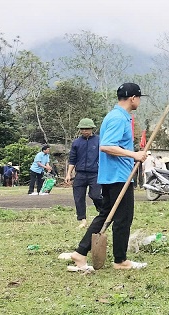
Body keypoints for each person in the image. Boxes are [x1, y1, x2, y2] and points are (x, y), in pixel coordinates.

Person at [59, 83, 149, 272]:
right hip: (118, 176)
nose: (139, 101)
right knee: (123, 218)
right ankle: (120, 261)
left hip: (113, 175)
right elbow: (106, 146)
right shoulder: (118, 118)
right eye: (139, 98)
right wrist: (135, 155)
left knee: (106, 214)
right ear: (133, 98)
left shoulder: (118, 116)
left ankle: (80, 253)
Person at [65, 118, 103, 229]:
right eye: (82, 129)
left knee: (95, 195)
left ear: (92, 129)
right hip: (80, 174)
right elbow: (72, 159)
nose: (85, 131)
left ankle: (102, 211)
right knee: (78, 197)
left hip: (95, 173)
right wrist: (68, 174)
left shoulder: (99, 140)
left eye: (87, 129)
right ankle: (82, 219)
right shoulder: (76, 142)